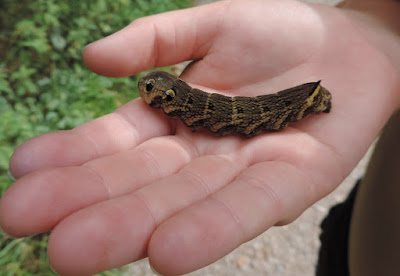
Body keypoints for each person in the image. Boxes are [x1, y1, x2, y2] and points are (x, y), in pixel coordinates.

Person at [0, 0, 399, 275]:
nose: (149, 95)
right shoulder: (188, 102)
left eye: (155, 94)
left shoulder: (209, 106)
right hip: (361, 238)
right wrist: (379, 26)